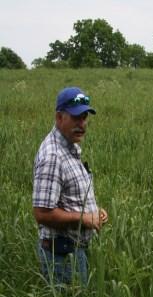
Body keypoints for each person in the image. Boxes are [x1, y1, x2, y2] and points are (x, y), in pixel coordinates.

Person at [33, 87, 108, 285]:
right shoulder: (52, 156)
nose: (82, 124)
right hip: (61, 256)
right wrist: (84, 218)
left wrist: (94, 213)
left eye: (84, 117)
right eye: (76, 118)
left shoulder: (70, 146)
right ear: (59, 117)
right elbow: (42, 214)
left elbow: (69, 197)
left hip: (74, 251)